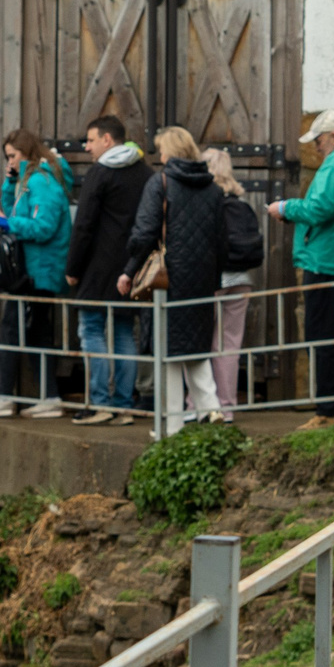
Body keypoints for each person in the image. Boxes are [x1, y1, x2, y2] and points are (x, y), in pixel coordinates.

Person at [118, 127, 222, 438]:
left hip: (167, 279)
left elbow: (144, 233)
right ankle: (212, 409)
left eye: (162, 150)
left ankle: (173, 427)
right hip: (201, 280)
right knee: (194, 347)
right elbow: (222, 241)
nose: (159, 156)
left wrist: (129, 270)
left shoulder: (160, 183)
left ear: (171, 153)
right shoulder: (213, 189)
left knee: (169, 351)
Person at [270, 109, 334, 427]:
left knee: (321, 336)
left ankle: (327, 411)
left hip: (326, 260)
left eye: (319, 140)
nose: (316, 147)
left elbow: (321, 207)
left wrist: (285, 208)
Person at [64, 115, 152, 425]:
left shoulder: (100, 174)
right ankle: (124, 406)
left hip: (97, 269)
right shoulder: (145, 173)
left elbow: (84, 225)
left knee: (90, 329)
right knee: (125, 333)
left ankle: (99, 404)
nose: (86, 147)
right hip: (131, 268)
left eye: (90, 140)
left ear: (107, 140)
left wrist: (73, 268)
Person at [0, 128, 75, 419]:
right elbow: (15, 214)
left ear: (27, 152)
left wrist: (7, 224)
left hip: (39, 273)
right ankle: (47, 397)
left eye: (13, 156)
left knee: (14, 329)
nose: (9, 161)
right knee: (35, 334)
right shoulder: (30, 180)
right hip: (32, 271)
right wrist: (10, 183)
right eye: (7, 157)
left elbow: (44, 228)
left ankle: (6, 397)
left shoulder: (43, 181)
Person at [210, 147, 265, 419]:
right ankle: (227, 407)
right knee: (230, 345)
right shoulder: (242, 203)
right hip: (242, 280)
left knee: (203, 342)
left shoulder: (208, 202)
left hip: (213, 280)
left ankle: (201, 406)